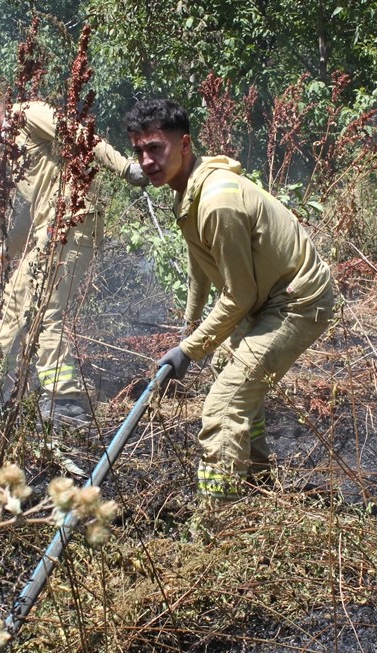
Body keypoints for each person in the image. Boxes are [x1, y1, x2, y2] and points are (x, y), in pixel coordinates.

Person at [123, 99, 335, 503]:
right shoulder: (187, 190)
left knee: (221, 410)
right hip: (266, 298)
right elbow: (200, 264)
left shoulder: (217, 200)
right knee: (232, 378)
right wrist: (189, 329)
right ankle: (257, 483)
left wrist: (190, 349)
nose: (146, 160)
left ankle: (217, 520)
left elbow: (240, 295)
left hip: (296, 301)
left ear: (184, 145)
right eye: (139, 151)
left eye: (155, 148)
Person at [0, 84, 147, 425]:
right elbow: (27, 216)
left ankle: (66, 400)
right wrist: (2, 252)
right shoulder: (15, 152)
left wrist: (125, 169)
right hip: (52, 230)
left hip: (73, 221)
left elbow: (77, 135)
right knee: (16, 298)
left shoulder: (29, 114)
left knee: (45, 309)